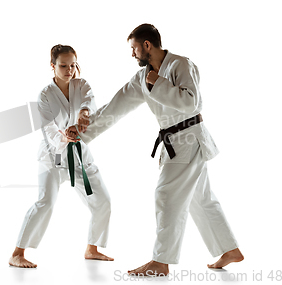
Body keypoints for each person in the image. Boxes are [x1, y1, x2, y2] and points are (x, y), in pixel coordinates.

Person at [66, 24, 244, 276]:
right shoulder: (142, 78)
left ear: (146, 45)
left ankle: (161, 262)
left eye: (134, 48)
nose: (132, 54)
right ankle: (229, 250)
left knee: (166, 195)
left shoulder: (182, 65)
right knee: (201, 199)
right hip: (175, 143)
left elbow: (192, 102)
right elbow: (115, 108)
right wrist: (82, 131)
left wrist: (159, 84)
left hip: (188, 138)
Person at [9, 44, 114, 268]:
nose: (69, 70)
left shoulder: (82, 84)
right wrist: (64, 136)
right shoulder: (46, 94)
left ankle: (92, 248)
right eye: (63, 65)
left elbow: (88, 102)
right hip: (53, 156)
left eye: (73, 65)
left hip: (78, 154)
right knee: (45, 202)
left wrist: (85, 114)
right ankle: (17, 253)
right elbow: (48, 129)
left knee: (103, 200)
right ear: (53, 66)